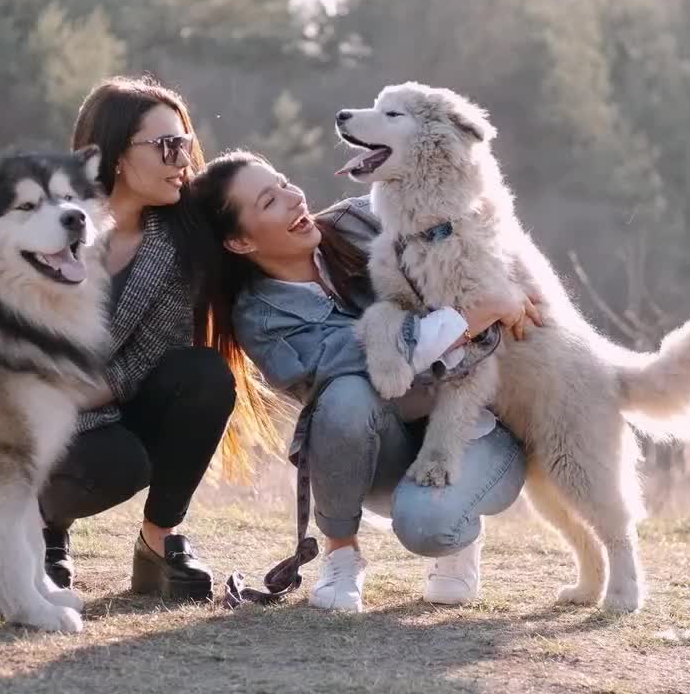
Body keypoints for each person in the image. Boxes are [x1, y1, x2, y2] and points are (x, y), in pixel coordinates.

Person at [189, 151, 538, 612]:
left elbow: (472, 224)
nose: (295, 199)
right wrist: (478, 311)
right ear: (239, 243)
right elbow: (370, 359)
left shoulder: (365, 218)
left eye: (285, 182)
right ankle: (341, 557)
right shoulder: (260, 316)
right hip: (377, 453)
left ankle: (458, 530)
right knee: (346, 393)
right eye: (270, 201)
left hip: (475, 424)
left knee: (430, 528)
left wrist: (513, 288)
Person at [38, 78, 278, 602]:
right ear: (116, 156)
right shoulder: (43, 224)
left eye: (185, 144)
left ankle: (158, 542)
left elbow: (153, 356)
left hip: (106, 401)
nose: (182, 160)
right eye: (167, 146)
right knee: (94, 457)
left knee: (203, 377)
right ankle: (39, 533)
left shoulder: (176, 244)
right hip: (23, 410)